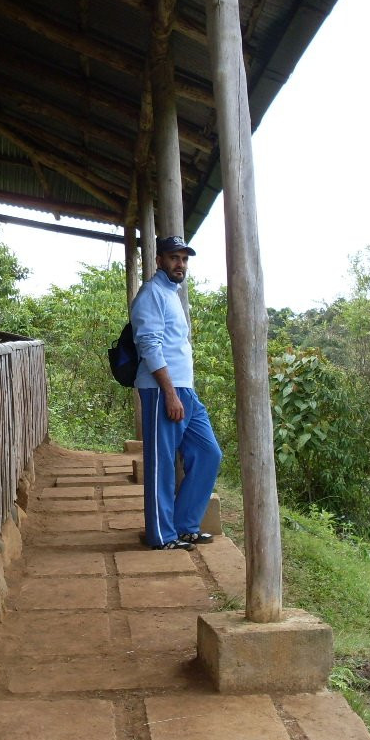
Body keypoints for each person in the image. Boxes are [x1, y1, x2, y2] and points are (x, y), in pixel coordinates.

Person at [131, 236, 223, 551]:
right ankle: (162, 535)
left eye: (184, 259)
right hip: (161, 390)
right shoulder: (151, 294)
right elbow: (149, 345)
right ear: (159, 261)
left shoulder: (172, 295)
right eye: (174, 258)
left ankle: (185, 525)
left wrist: (182, 392)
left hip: (186, 390)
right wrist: (169, 393)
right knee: (162, 464)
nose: (180, 264)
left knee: (209, 453)